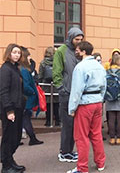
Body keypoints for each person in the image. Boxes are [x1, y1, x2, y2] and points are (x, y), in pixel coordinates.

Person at [67, 41, 106, 173]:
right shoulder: (99, 66)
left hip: (85, 104)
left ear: (83, 51)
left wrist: (72, 108)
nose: (76, 52)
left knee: (81, 136)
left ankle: (82, 168)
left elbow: (76, 90)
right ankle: (101, 163)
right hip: (97, 102)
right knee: (96, 134)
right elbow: (104, 87)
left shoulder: (80, 67)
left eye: (78, 50)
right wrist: (100, 99)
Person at [53, 27, 84, 162]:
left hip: (77, 93)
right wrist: (61, 88)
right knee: (67, 124)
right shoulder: (61, 51)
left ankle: (69, 150)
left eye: (81, 39)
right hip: (66, 93)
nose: (79, 41)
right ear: (70, 37)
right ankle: (65, 152)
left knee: (74, 125)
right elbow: (56, 71)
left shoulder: (78, 52)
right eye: (77, 39)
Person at [0, 44, 26, 173]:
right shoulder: (5, 69)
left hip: (18, 107)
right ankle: (6, 165)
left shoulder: (15, 68)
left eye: (19, 53)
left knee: (15, 137)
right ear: (9, 53)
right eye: (14, 52)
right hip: (10, 109)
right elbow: (3, 91)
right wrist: (9, 110)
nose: (17, 55)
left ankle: (10, 160)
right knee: (8, 137)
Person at [19, 47, 44, 146]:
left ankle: (19, 139)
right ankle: (32, 138)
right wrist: (33, 92)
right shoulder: (24, 70)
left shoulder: (21, 68)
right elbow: (26, 85)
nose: (30, 58)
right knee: (26, 118)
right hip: (27, 98)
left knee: (23, 119)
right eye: (28, 55)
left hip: (24, 97)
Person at [105, 53, 120, 145]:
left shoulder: (107, 72)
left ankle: (111, 138)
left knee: (111, 118)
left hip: (109, 96)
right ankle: (118, 138)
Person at [39, 46, 60, 127]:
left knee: (48, 104)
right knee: (56, 104)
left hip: (46, 85)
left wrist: (40, 83)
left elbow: (41, 75)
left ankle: (48, 121)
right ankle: (57, 121)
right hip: (55, 85)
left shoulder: (43, 62)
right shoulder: (57, 62)